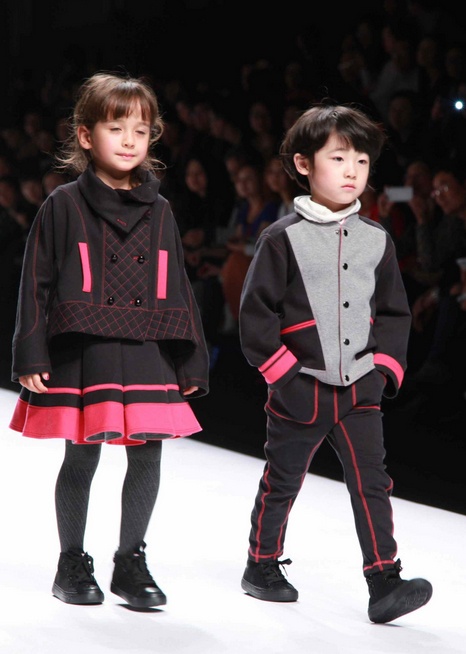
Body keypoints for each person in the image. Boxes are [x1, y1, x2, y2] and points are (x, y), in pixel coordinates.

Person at [9, 72, 209, 608]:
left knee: (148, 455)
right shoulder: (63, 204)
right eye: (115, 128)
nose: (128, 140)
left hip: (146, 345)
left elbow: (178, 283)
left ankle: (129, 561)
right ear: (85, 135)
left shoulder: (161, 209)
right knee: (83, 454)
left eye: (140, 130)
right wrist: (31, 351)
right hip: (86, 347)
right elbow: (36, 281)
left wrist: (191, 358)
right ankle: (71, 561)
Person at [238, 103, 433, 624]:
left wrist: (383, 371)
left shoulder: (377, 239)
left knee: (372, 482)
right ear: (304, 164)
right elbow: (255, 316)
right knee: (283, 479)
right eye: (339, 157)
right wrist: (286, 377)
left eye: (362, 161)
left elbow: (393, 311)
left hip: (359, 389)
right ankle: (261, 564)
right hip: (300, 386)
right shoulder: (282, 237)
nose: (353, 171)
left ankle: (384, 580)